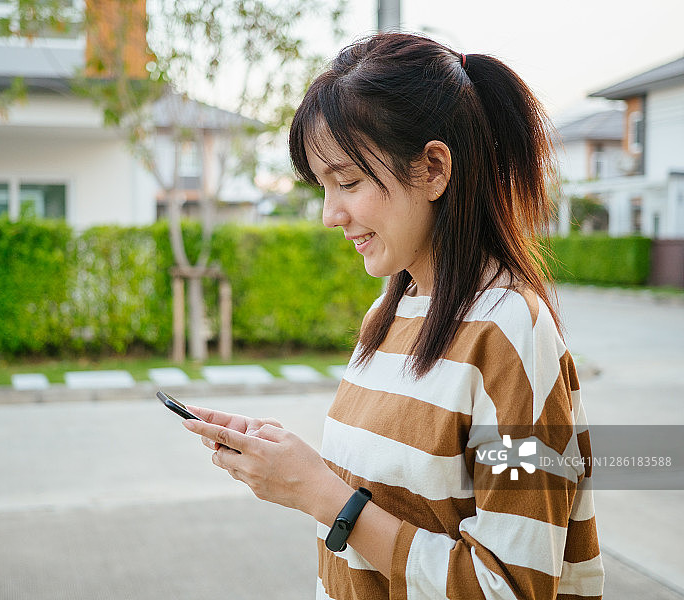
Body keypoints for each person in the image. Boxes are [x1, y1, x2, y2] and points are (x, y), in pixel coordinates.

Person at [183, 33, 605, 600]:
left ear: (433, 168)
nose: (332, 214)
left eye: (348, 182)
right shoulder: (391, 309)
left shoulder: (510, 332)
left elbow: (512, 588)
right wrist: (292, 463)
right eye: (324, 186)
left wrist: (322, 496)